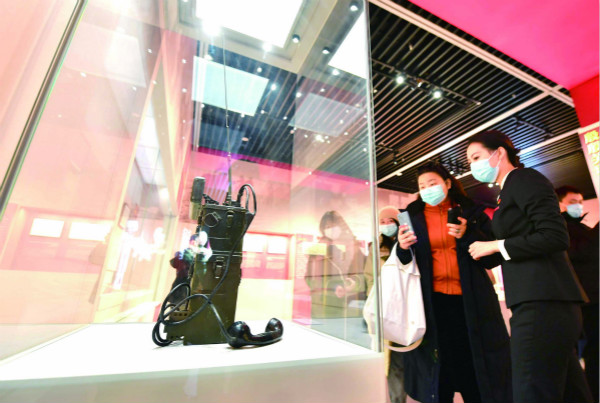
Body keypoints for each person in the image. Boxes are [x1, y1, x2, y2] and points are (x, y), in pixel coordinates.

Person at [466, 130, 593, 403]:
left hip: (542, 302)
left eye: (476, 157)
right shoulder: (506, 193)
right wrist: (474, 238)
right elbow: (504, 249)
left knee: (530, 392)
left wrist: (497, 245)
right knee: (570, 392)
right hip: (542, 303)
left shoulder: (524, 179)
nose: (472, 166)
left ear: (499, 152)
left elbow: (555, 236)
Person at [396, 161, 512, 403]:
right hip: (432, 303)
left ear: (447, 183)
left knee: (475, 366)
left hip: (472, 301)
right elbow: (405, 263)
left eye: (433, 183)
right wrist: (403, 248)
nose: (427, 189)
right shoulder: (412, 217)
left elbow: (492, 259)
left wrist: (468, 233)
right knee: (440, 368)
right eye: (422, 186)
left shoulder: (472, 213)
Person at [556, 185, 599, 402]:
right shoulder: (560, 229)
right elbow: (581, 251)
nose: (578, 206)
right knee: (585, 354)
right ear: (558, 204)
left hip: (591, 299)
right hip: (579, 302)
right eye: (573, 202)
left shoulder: (580, 228)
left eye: (580, 202)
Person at [365, 206, 407, 403]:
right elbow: (370, 278)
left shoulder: (408, 241)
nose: (387, 225)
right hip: (387, 310)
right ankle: (397, 399)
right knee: (393, 361)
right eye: (382, 222)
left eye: (391, 221)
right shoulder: (376, 247)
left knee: (410, 358)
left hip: (407, 308)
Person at [305, 211, 366, 320]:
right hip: (324, 307)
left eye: (333, 225)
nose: (331, 229)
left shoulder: (353, 248)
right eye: (327, 226)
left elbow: (363, 274)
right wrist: (333, 287)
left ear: (340, 226)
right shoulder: (318, 250)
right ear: (323, 230)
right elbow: (309, 278)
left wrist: (352, 284)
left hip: (350, 307)